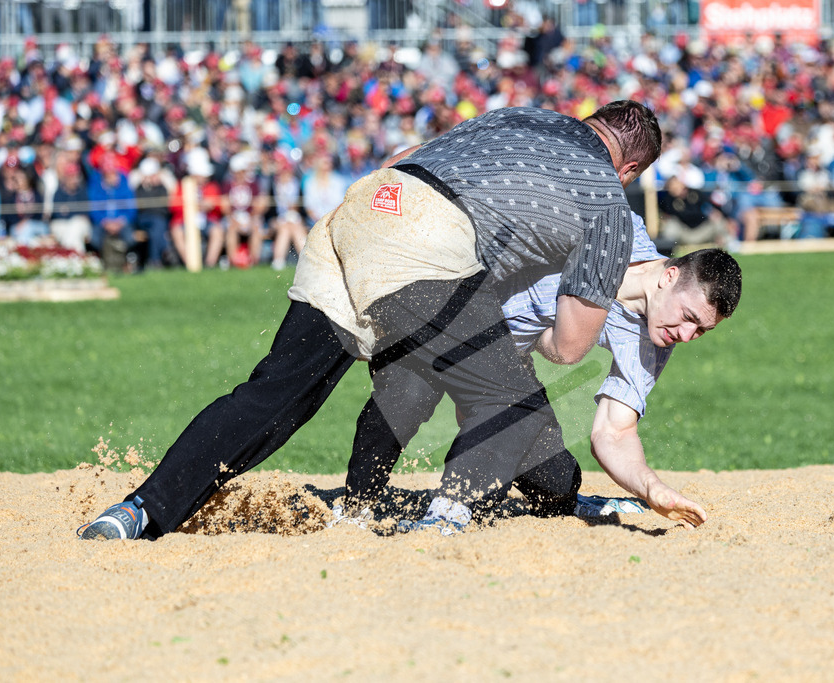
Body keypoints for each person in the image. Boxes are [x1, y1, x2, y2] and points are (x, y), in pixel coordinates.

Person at [79, 101, 663, 541]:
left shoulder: (515, 117)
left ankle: (139, 510)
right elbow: (566, 349)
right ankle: (540, 504)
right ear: (630, 167)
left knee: (276, 394)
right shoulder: (608, 207)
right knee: (515, 404)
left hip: (365, 206)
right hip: (425, 245)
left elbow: (400, 161)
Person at [342, 214, 740, 532]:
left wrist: (650, 486)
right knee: (403, 402)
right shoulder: (615, 224)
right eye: (689, 317)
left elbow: (614, 431)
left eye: (702, 330)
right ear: (669, 277)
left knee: (558, 482)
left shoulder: (654, 341)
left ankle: (551, 498)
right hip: (448, 316)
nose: (687, 335)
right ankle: (355, 510)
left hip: (502, 367)